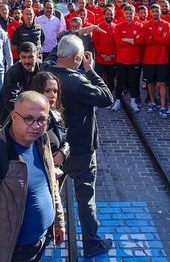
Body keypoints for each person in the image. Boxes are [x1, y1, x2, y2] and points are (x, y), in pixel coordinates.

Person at [0, 91, 65, 262]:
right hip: (12, 252)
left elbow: (51, 183)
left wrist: (58, 221)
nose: (36, 125)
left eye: (42, 120)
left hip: (40, 241)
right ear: (14, 116)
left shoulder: (42, 140)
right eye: (28, 118)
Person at [49, 35, 113, 257]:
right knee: (85, 197)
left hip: (53, 147)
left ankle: (47, 232)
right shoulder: (78, 81)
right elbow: (107, 98)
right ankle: (91, 242)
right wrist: (91, 71)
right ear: (77, 58)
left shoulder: (45, 76)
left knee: (50, 191)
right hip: (81, 149)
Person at [29, 71, 70, 176]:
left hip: (55, 173)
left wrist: (63, 152)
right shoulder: (27, 116)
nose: (53, 95)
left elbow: (66, 138)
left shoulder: (56, 113)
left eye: (55, 91)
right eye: (47, 91)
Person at [113, 4, 143, 112]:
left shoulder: (139, 26)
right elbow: (118, 42)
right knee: (120, 81)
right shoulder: (119, 26)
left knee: (133, 81)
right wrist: (130, 40)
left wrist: (125, 39)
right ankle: (117, 101)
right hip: (122, 59)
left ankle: (133, 101)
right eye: (127, 13)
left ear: (134, 14)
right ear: (124, 14)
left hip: (135, 59)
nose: (129, 15)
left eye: (131, 13)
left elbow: (140, 41)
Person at [142, 4, 170, 118]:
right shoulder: (146, 25)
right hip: (148, 59)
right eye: (153, 11)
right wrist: (159, 37)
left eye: (157, 11)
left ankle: (163, 106)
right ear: (150, 12)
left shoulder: (166, 24)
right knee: (150, 83)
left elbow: (166, 40)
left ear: (160, 11)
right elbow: (145, 40)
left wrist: (153, 37)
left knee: (163, 83)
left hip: (162, 59)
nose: (155, 13)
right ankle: (153, 102)